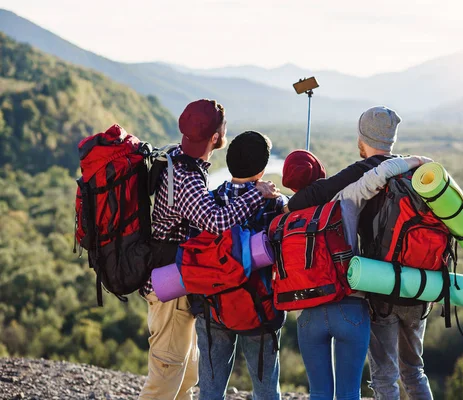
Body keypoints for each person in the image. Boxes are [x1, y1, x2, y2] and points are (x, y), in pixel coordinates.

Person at [285, 106, 435, 399]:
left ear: (362, 137)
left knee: (384, 376)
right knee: (415, 371)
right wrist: (417, 160)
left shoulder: (351, 187)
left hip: (378, 288)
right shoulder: (415, 176)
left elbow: (314, 197)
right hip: (421, 286)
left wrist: (284, 205)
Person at [138, 100, 278, 400]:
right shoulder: (187, 178)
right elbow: (216, 221)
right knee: (167, 373)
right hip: (169, 286)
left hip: (183, 280)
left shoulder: (179, 159)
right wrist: (257, 193)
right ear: (216, 137)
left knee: (187, 374)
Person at [195, 130, 286, 400]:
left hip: (213, 304)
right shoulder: (275, 204)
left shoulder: (210, 202)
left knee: (210, 389)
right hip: (261, 305)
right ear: (261, 169)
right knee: (267, 388)